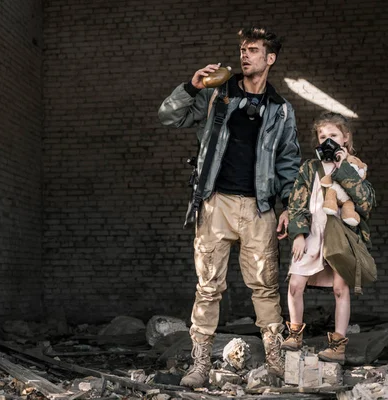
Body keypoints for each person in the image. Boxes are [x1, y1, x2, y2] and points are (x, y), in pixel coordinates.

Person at [158, 27, 301, 387]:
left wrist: (288, 207)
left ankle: (274, 363)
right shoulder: (217, 95)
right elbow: (169, 116)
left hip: (260, 207)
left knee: (265, 287)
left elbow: (288, 161)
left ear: (270, 59)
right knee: (208, 287)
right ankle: (200, 365)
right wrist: (192, 86)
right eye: (242, 49)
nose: (245, 55)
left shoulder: (281, 111)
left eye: (253, 50)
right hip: (216, 202)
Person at [281, 112, 376, 364]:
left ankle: (338, 345)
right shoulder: (309, 167)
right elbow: (296, 204)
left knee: (339, 288)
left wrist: (343, 167)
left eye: (333, 135)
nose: (327, 140)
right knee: (295, 284)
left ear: (345, 138)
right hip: (313, 233)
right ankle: (295, 334)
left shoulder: (355, 166)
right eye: (322, 136)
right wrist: (298, 234)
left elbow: (365, 203)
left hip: (341, 235)